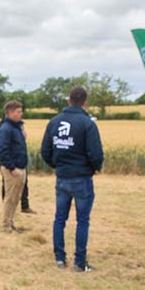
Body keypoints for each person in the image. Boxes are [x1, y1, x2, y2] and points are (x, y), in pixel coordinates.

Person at [41, 87, 103, 272]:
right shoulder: (87, 123)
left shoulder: (54, 122)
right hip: (82, 178)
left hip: (62, 177)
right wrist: (94, 168)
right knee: (82, 221)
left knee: (59, 219)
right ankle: (79, 262)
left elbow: (45, 151)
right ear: (84, 102)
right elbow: (95, 153)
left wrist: (57, 165)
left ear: (69, 100)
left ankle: (60, 258)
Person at [0, 100, 28, 233]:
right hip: (13, 170)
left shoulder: (16, 127)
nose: (21, 114)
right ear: (10, 113)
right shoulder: (6, 129)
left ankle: (11, 223)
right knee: (10, 198)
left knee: (16, 198)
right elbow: (3, 151)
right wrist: (12, 168)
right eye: (18, 111)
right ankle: (6, 226)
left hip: (20, 167)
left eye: (21, 111)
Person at [0, 117, 35, 214]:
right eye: (18, 112)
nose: (20, 115)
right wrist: (10, 166)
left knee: (24, 184)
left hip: (20, 161)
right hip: (10, 161)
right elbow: (3, 147)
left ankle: (24, 205)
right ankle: (7, 209)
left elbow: (24, 137)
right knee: (7, 186)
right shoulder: (3, 127)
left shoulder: (19, 126)